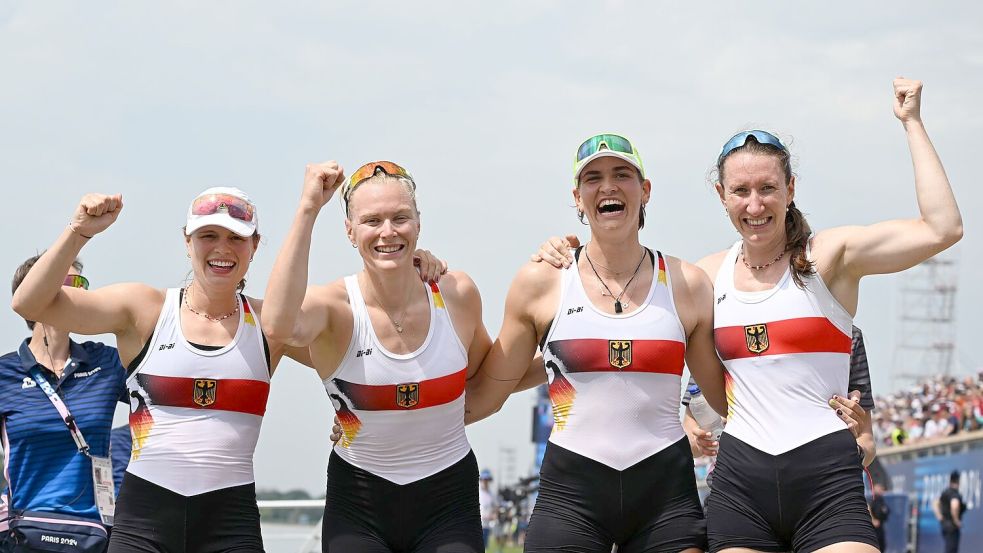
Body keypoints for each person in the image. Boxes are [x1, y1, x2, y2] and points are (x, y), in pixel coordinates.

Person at [535, 79, 961, 552]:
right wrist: (568, 255)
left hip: (826, 482)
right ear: (722, 195)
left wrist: (913, 123)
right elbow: (633, 337)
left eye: (767, 189)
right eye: (740, 191)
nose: (754, 205)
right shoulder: (706, 276)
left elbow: (942, 228)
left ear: (790, 189)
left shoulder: (831, 258)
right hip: (742, 487)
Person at [464, 134, 727, 553]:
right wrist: (377, 424)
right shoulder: (542, 282)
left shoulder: (687, 284)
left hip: (665, 497)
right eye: (593, 178)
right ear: (577, 197)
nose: (608, 186)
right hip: (572, 496)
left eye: (622, 174)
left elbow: (725, 396)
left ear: (645, 191)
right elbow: (486, 393)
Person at [11, 188, 313, 552]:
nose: (222, 248)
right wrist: (79, 232)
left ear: (255, 245)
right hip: (144, 523)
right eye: (208, 235)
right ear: (187, 241)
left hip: (231, 524)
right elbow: (29, 302)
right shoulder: (145, 309)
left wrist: (351, 418)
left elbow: (358, 366)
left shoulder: (270, 325)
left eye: (236, 237)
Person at [262, 161, 488, 552]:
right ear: (349, 231)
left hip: (449, 499)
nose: (388, 232)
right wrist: (307, 209)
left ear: (418, 223)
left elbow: (489, 378)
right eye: (372, 221)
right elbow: (277, 326)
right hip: (360, 501)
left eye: (401, 218)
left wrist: (572, 362)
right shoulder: (334, 307)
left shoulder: (456, 293)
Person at [1, 256, 125, 551]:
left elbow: (157, 404)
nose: (78, 293)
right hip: (23, 533)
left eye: (81, 284)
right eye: (66, 283)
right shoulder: (4, 374)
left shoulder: (106, 362)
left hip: (95, 536)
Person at [934, 470, 966, 553]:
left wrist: (940, 517)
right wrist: (956, 521)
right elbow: (954, 506)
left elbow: (935, 503)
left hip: (945, 525)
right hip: (952, 527)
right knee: (951, 550)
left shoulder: (946, 492)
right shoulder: (954, 494)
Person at [478, 470, 497, 550]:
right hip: (479, 524)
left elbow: (495, 507)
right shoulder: (478, 493)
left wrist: (494, 514)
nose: (485, 482)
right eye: (484, 480)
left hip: (487, 525)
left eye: (487, 480)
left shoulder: (491, 494)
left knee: (485, 547)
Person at [868, 483, 889, 552]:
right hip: (873, 529)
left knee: (882, 546)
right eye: (879, 489)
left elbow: (886, 511)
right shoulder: (873, 499)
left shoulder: (881, 500)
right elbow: (868, 507)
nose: (881, 490)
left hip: (880, 527)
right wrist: (873, 519)